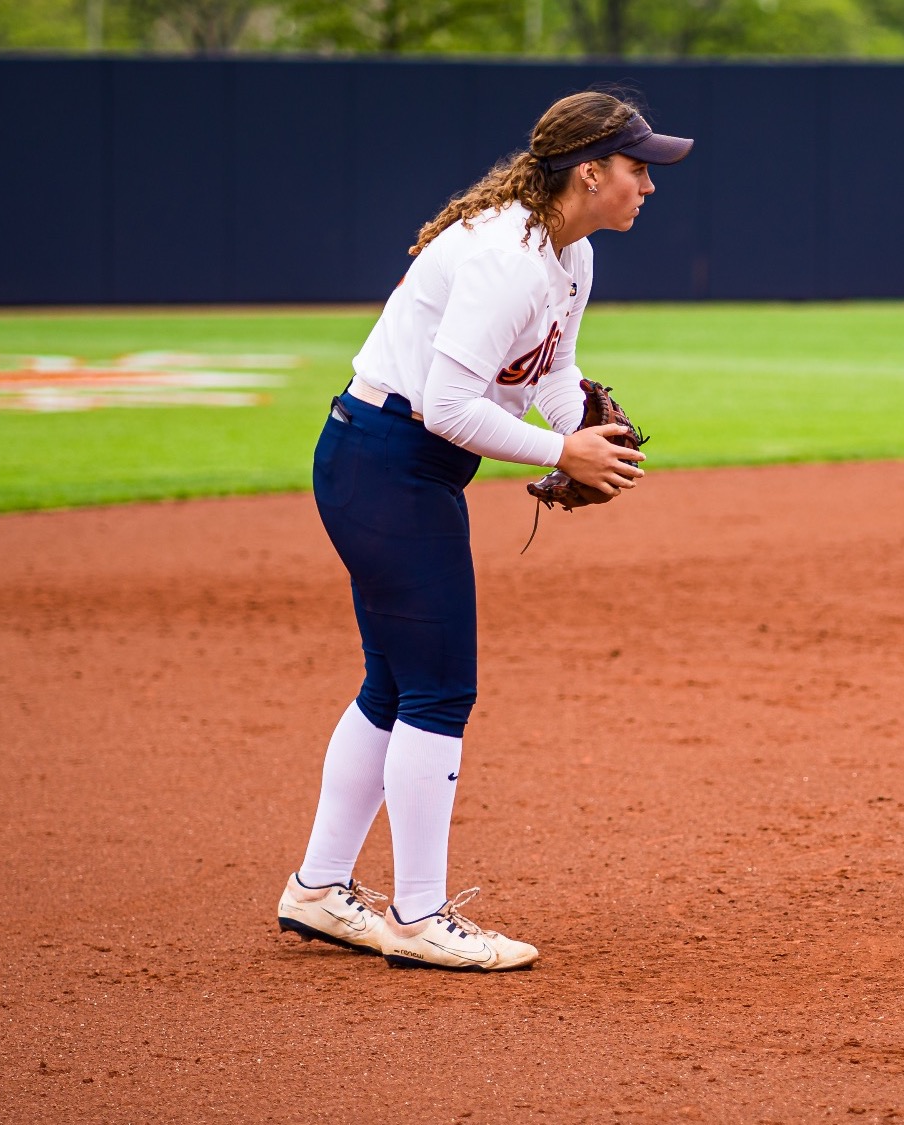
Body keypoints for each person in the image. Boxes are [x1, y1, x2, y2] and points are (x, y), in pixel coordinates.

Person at [274, 91, 692, 971]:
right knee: (437, 690)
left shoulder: (569, 254)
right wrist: (563, 451)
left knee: (395, 684)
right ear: (589, 173)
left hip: (396, 464)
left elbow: (553, 368)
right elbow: (448, 405)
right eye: (637, 167)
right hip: (387, 461)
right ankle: (419, 916)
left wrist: (583, 425)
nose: (649, 185)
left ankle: (318, 888)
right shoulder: (507, 258)